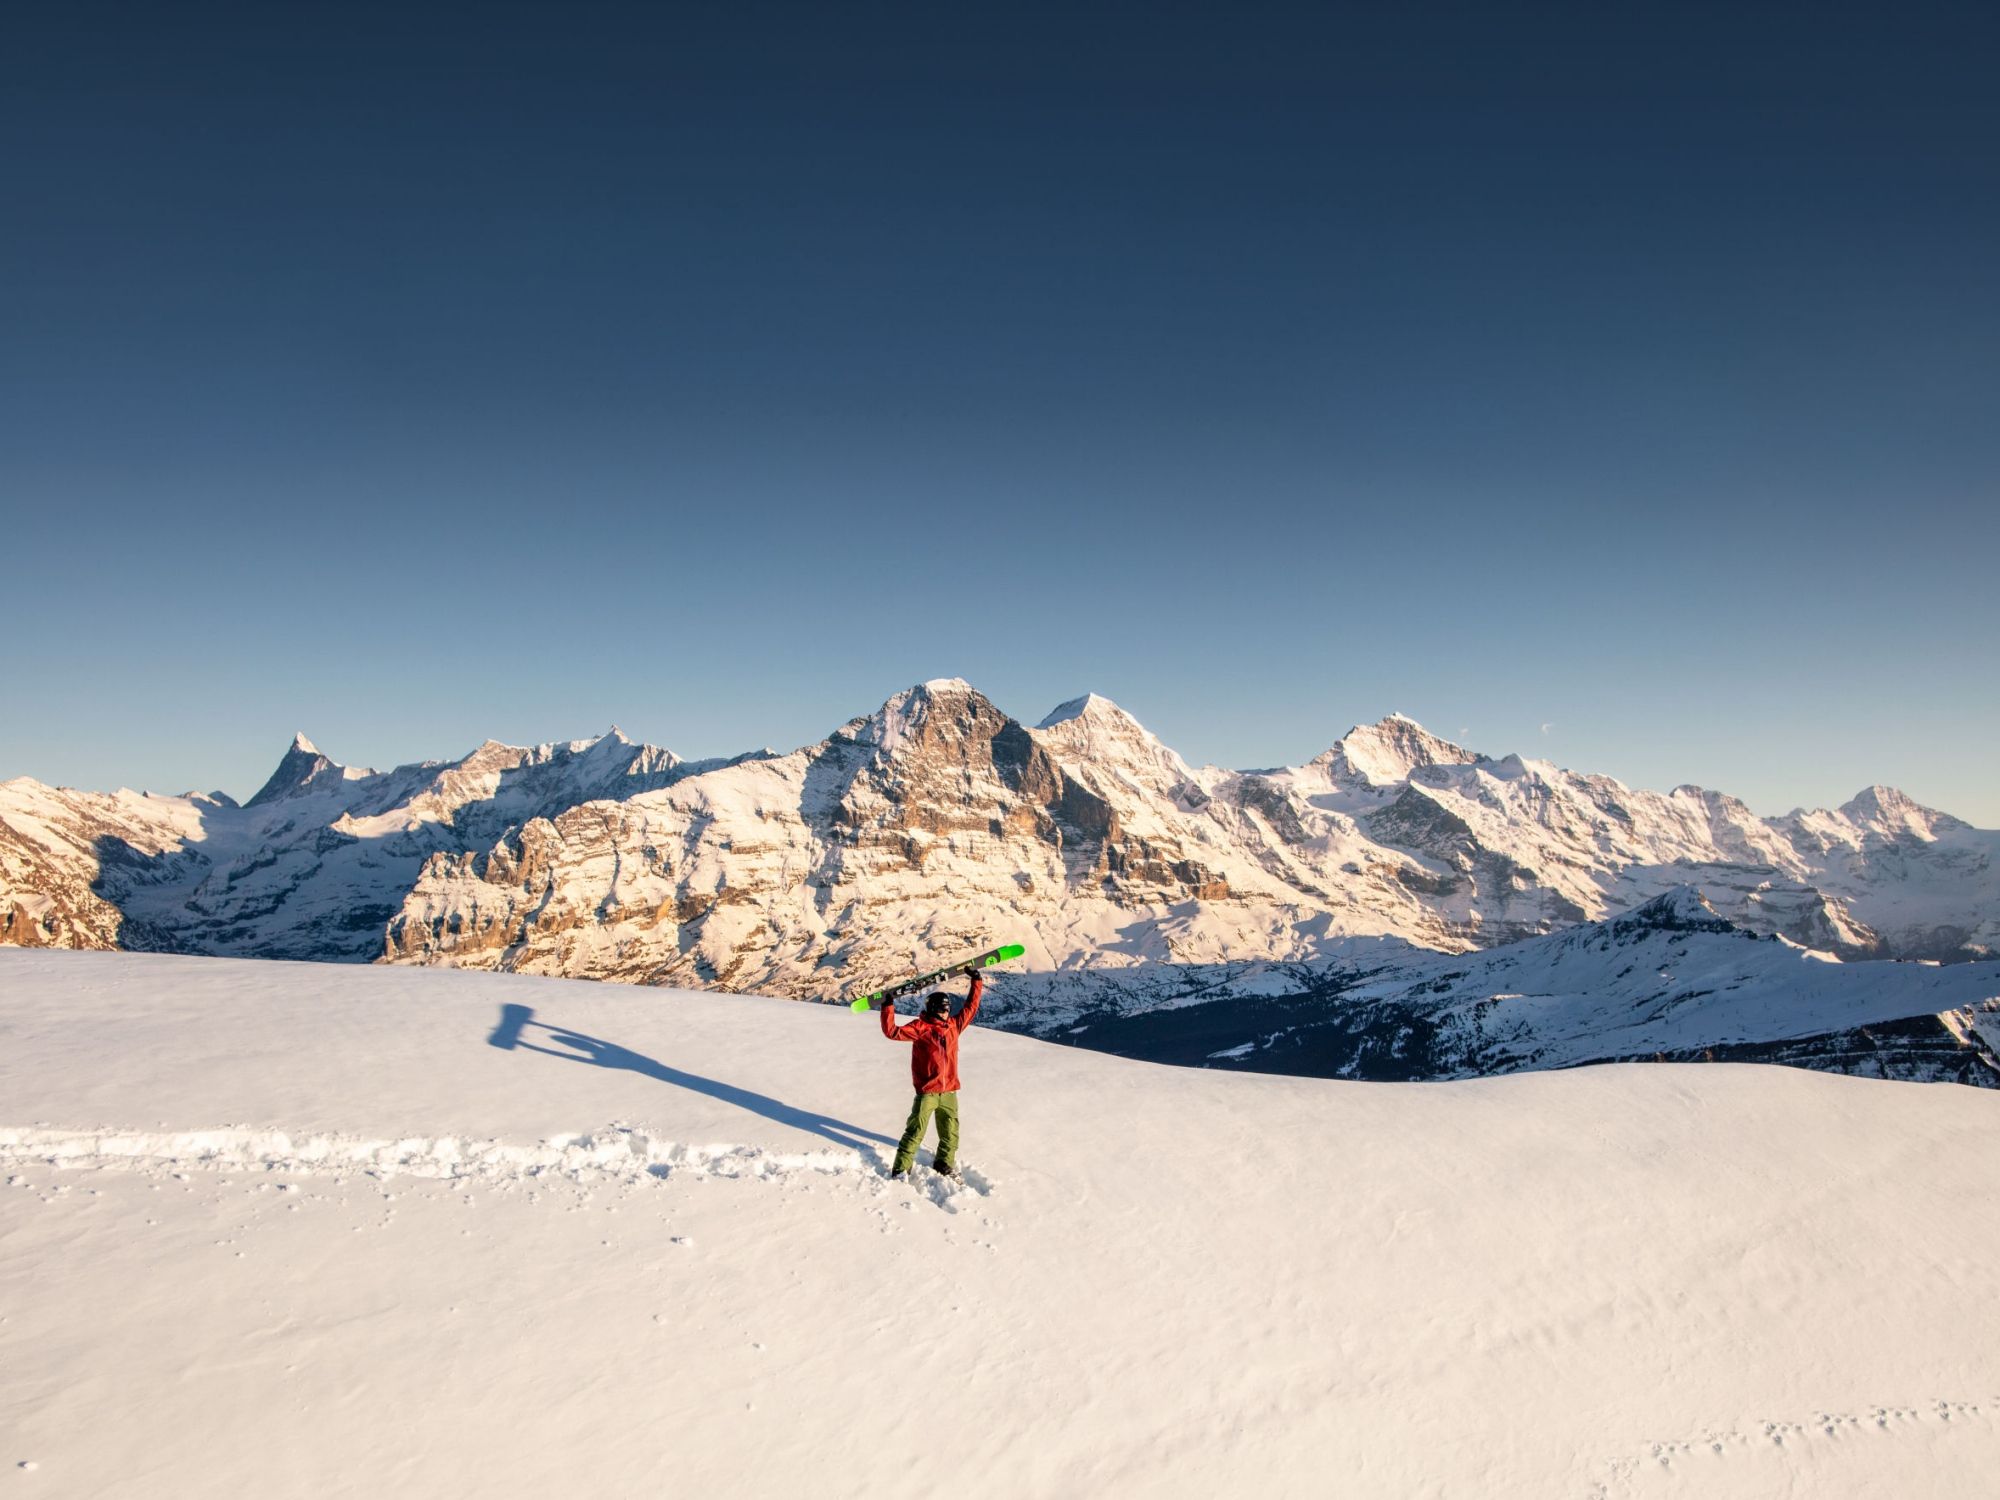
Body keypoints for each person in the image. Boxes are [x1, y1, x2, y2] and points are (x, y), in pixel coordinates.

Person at [880, 970, 983, 1179]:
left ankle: (944, 1163)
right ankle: (901, 1168)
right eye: (942, 1009)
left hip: (949, 1091)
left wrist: (976, 981)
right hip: (927, 1091)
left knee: (950, 1132)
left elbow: (971, 1008)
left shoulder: (953, 1026)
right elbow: (892, 1032)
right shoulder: (921, 1028)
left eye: (948, 1008)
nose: (946, 1012)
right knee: (915, 1131)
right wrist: (888, 1006)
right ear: (933, 1009)